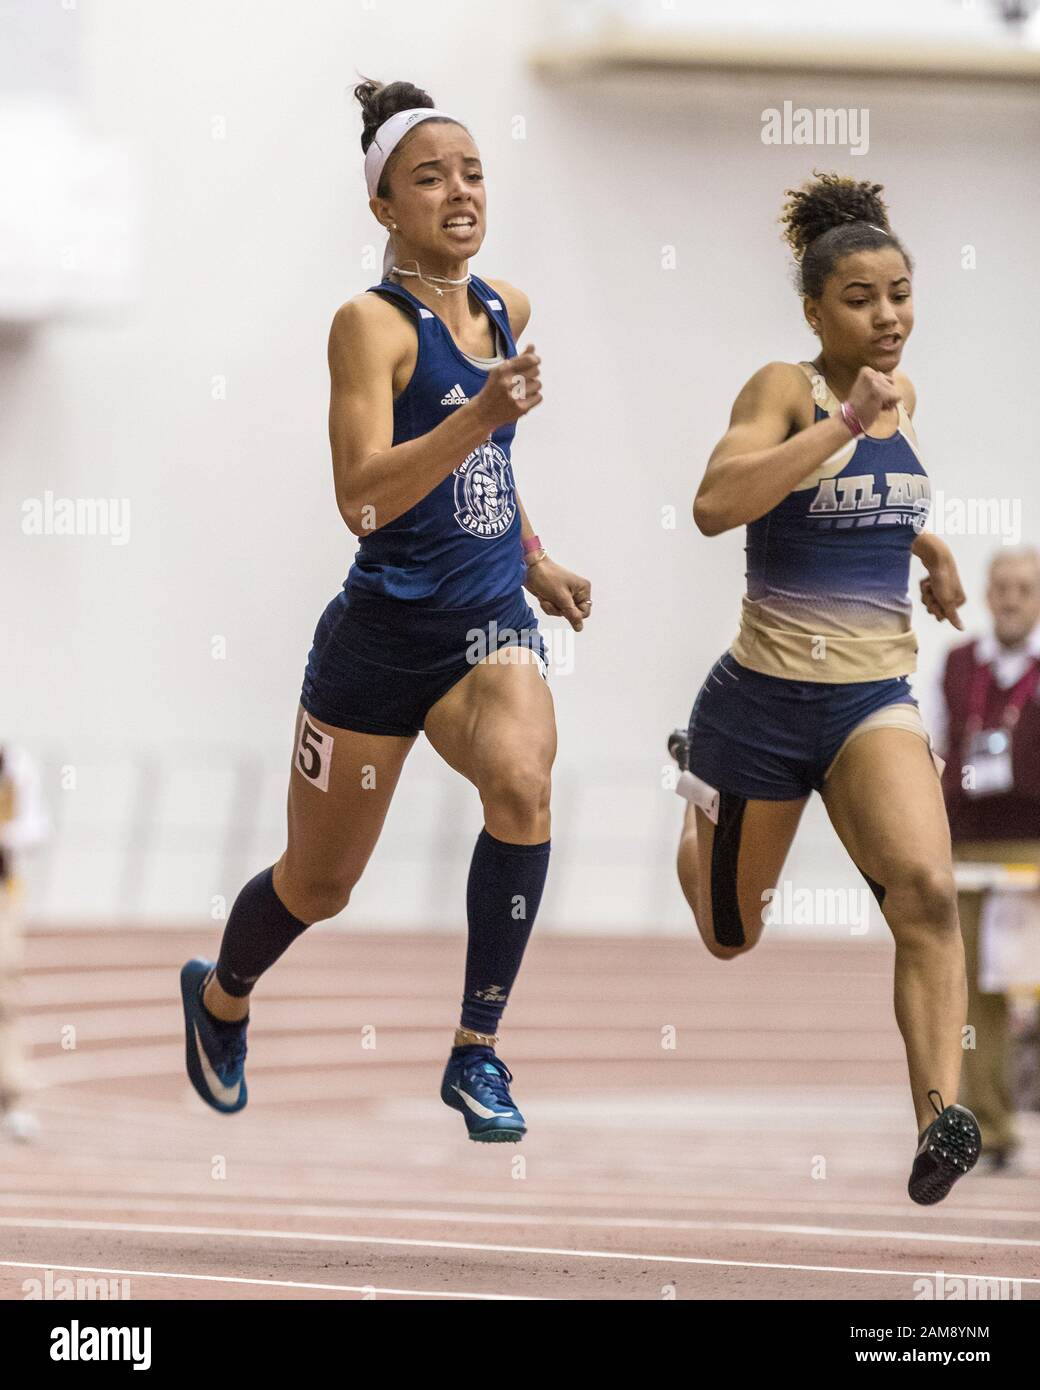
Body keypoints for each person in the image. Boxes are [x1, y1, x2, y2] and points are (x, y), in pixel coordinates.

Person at [181, 79, 592, 1143]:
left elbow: (486, 465)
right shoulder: (368, 327)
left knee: (523, 780)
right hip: (378, 643)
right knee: (318, 885)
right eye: (429, 178)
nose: (459, 191)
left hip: (486, 631)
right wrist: (484, 412)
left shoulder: (505, 305)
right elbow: (362, 498)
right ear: (383, 208)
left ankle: (477, 1052)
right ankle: (221, 996)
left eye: (471, 172)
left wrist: (535, 558)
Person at [668, 174, 979, 1204]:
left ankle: (939, 1114)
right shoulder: (782, 388)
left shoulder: (907, 394)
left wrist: (926, 547)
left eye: (899, 293)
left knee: (926, 895)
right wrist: (841, 417)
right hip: (759, 705)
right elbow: (718, 505)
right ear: (813, 311)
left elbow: (866, 505)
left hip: (867, 699)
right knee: (728, 934)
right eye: (859, 298)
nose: (886, 317)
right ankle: (696, 784)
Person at [934, 547, 1040, 1169]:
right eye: (1000, 587)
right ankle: (991, 1130)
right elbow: (928, 747)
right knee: (974, 990)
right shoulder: (954, 664)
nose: (1010, 598)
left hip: (1033, 845)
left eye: (1023, 588)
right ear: (985, 592)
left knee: (1020, 980)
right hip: (967, 844)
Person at [0, 741, 50, 1142]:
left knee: (4, 990)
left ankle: (13, 1099)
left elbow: (35, 827)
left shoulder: (14, 764)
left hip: (4, 889)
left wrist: (5, 835)